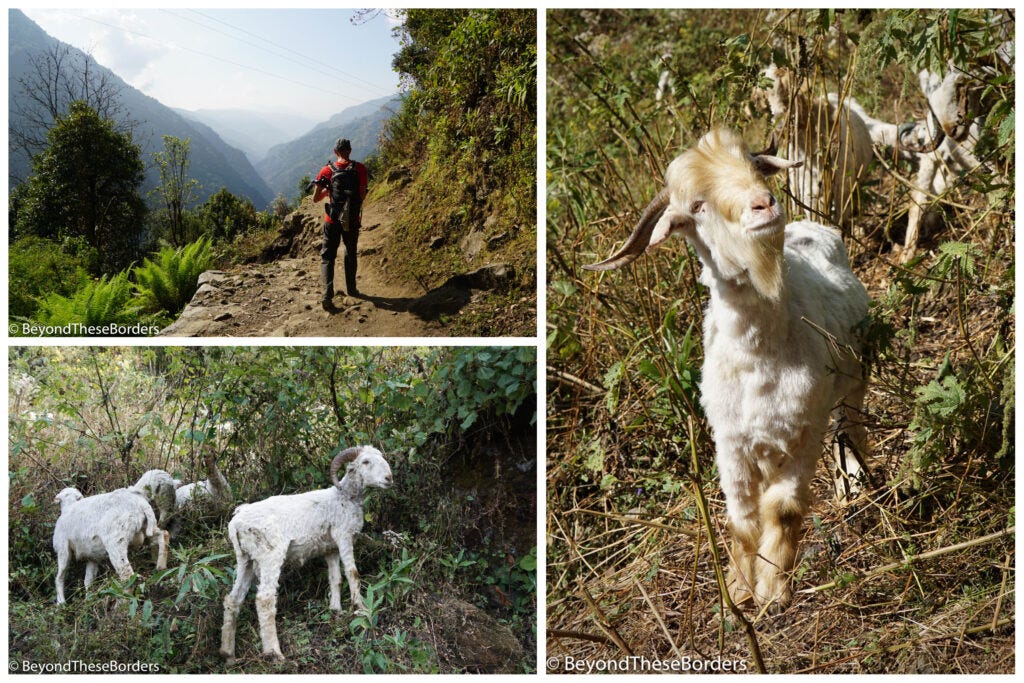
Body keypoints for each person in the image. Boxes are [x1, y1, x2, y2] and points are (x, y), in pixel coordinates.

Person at [313, 138, 369, 308]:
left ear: (335, 152)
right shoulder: (360, 169)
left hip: (332, 220)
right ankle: (351, 289)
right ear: (350, 151)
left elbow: (316, 199)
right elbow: (362, 195)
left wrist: (327, 190)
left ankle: (327, 295)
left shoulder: (326, 170)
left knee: (328, 256)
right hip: (351, 219)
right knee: (350, 252)